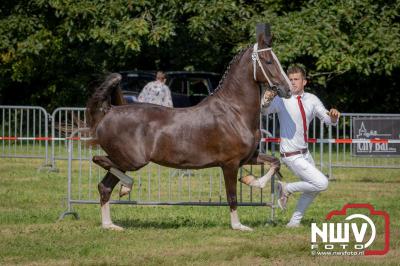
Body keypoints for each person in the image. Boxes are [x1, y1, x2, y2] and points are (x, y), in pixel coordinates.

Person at [247, 65, 340, 227]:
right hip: (291, 154)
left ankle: (294, 223)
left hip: (305, 153)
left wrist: (333, 117)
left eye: (296, 79)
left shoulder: (312, 99)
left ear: (305, 81)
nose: (293, 82)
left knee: (314, 188)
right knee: (322, 183)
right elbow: (264, 111)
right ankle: (286, 188)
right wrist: (266, 100)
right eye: (290, 80)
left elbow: (327, 119)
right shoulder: (282, 99)